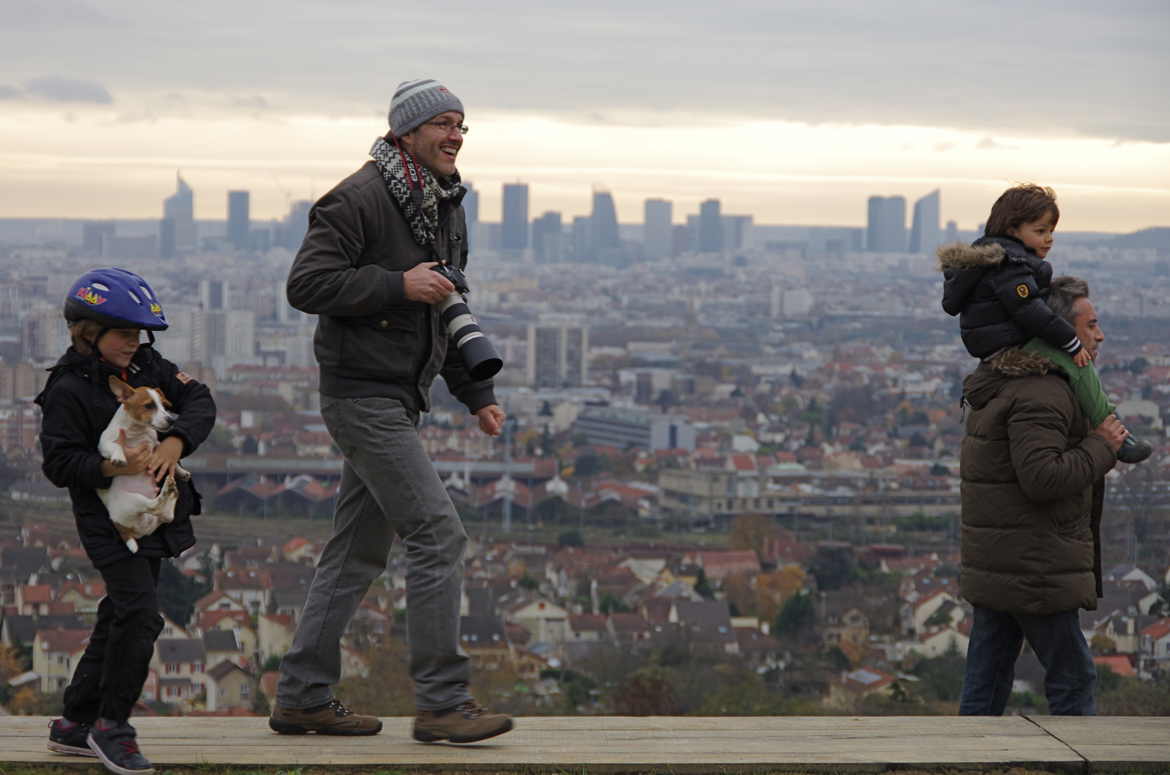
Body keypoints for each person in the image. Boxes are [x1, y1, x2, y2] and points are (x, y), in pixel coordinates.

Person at [271, 79, 512, 744]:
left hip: (398, 397)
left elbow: (445, 301)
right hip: (361, 395)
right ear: (405, 132)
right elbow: (307, 284)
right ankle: (442, 701)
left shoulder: (444, 204)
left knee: (356, 551)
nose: (456, 135)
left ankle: (301, 695)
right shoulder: (359, 198)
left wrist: (478, 394)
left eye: (462, 124)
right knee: (439, 534)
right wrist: (396, 284)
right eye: (442, 123)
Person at [36, 268, 216, 773]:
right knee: (142, 615)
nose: (134, 344)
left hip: (156, 516)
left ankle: (75, 723)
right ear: (88, 334)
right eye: (124, 334)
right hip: (105, 519)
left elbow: (199, 400)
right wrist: (115, 466)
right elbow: (59, 465)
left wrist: (178, 442)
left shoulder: (149, 366)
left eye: (139, 335)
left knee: (120, 611)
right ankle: (112, 727)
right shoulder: (67, 391)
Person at [956, 275, 1124, 715]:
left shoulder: (1006, 383)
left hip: (1001, 562)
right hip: (1035, 566)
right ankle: (1075, 765)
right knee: (1072, 678)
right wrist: (1101, 446)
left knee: (986, 685)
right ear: (1061, 332)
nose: (1099, 335)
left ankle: (966, 763)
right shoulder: (1044, 393)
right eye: (1090, 325)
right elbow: (1043, 478)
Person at [940, 183, 1151, 464]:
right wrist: (1071, 342)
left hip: (994, 345)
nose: (1049, 239)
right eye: (1040, 231)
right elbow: (1030, 312)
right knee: (1078, 364)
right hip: (1008, 346)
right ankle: (1116, 432)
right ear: (1013, 230)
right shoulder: (1010, 265)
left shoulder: (993, 261)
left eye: (1051, 231)